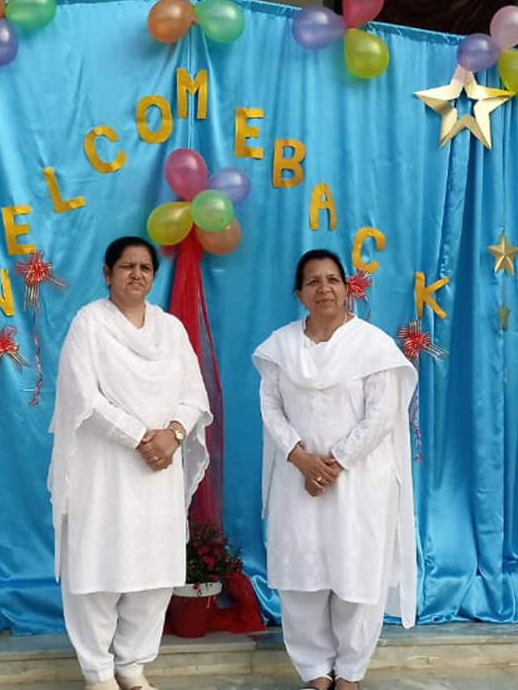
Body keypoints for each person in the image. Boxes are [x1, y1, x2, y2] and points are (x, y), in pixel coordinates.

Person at [48, 236, 211, 690]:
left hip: (160, 466)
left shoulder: (171, 329)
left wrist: (173, 434)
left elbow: (194, 395)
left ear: (153, 277)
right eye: (126, 266)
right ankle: (98, 672)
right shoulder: (90, 324)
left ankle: (132, 667)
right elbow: (83, 397)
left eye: (145, 268)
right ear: (107, 273)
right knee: (98, 565)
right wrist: (141, 436)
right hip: (105, 467)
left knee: (153, 570)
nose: (136, 274)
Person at [252, 249, 418, 690]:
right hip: (297, 478)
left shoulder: (373, 346)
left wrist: (336, 463)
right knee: (302, 574)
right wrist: (300, 458)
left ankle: (350, 672)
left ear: (348, 289)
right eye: (313, 282)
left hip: (359, 480)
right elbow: (270, 405)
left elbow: (383, 414)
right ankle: (313, 672)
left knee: (356, 572)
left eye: (333, 280)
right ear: (299, 293)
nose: (324, 288)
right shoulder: (281, 347)